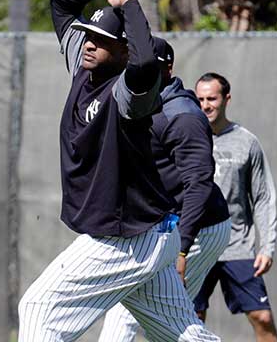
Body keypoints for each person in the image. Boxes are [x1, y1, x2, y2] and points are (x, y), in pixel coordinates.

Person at [17, 0, 220, 341]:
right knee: (183, 335)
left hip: (127, 237)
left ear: (125, 50)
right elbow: (60, 2)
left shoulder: (128, 97)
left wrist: (128, 2)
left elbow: (143, 65)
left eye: (104, 41)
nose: (91, 45)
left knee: (38, 307)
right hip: (148, 232)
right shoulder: (82, 69)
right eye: (90, 37)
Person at [98, 38, 231, 342]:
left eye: (149, 68)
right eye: (135, 68)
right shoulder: (146, 105)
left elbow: (199, 184)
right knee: (163, 320)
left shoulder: (182, 115)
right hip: (165, 226)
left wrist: (182, 248)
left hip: (198, 228)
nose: (140, 74)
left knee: (145, 316)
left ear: (168, 69)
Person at [193, 73, 277, 342]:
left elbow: (263, 197)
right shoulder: (187, 136)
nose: (205, 105)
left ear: (226, 99)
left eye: (212, 99)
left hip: (237, 246)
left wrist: (266, 247)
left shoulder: (247, 142)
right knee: (192, 319)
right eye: (200, 99)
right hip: (195, 246)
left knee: (262, 317)